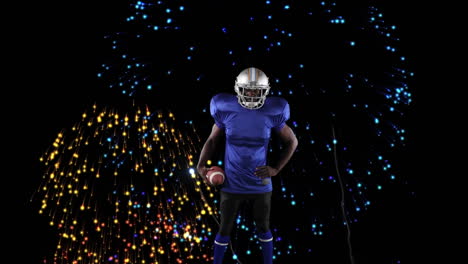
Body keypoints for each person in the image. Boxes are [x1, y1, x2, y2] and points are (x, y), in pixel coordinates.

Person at [197, 67, 298, 264]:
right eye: (247, 90)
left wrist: (276, 169)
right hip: (232, 182)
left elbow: (292, 142)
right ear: (238, 89)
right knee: (224, 228)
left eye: (256, 91)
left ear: (265, 91)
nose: (251, 95)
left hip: (259, 182)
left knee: (263, 226)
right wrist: (201, 165)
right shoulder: (224, 107)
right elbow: (211, 140)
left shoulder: (274, 110)